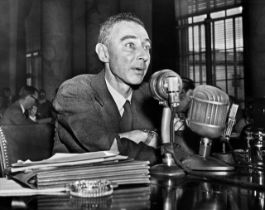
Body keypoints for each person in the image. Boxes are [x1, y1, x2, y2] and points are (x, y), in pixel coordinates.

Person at [53, 13, 162, 165]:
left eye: (146, 47)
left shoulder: (149, 95)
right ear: (104, 53)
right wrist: (150, 139)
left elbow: (181, 149)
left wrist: (136, 137)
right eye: (130, 45)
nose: (144, 55)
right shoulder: (75, 91)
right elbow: (105, 149)